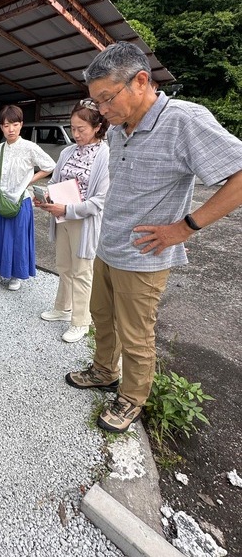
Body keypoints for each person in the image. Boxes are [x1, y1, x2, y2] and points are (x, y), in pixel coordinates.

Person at [65, 41, 242, 433]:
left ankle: (131, 398)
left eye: (107, 99)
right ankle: (103, 370)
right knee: (102, 317)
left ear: (141, 81)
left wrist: (185, 227)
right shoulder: (116, 130)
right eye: (96, 103)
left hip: (144, 257)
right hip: (107, 246)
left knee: (136, 333)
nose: (103, 111)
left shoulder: (183, 121)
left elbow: (240, 176)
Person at [35, 101, 110, 343]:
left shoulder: (105, 155)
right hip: (61, 216)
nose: (76, 134)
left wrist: (66, 208)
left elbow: (99, 201)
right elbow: (55, 181)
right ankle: (62, 308)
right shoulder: (67, 152)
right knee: (64, 266)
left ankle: (80, 321)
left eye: (82, 129)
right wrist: (46, 198)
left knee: (82, 272)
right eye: (73, 128)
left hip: (83, 221)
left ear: (98, 127)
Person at [0, 105, 55, 292]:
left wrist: (29, 181)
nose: (10, 129)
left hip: (20, 200)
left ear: (21, 125)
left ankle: (15, 275)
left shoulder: (29, 148)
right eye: (6, 125)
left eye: (14, 124)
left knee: (16, 238)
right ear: (1, 127)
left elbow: (50, 165)